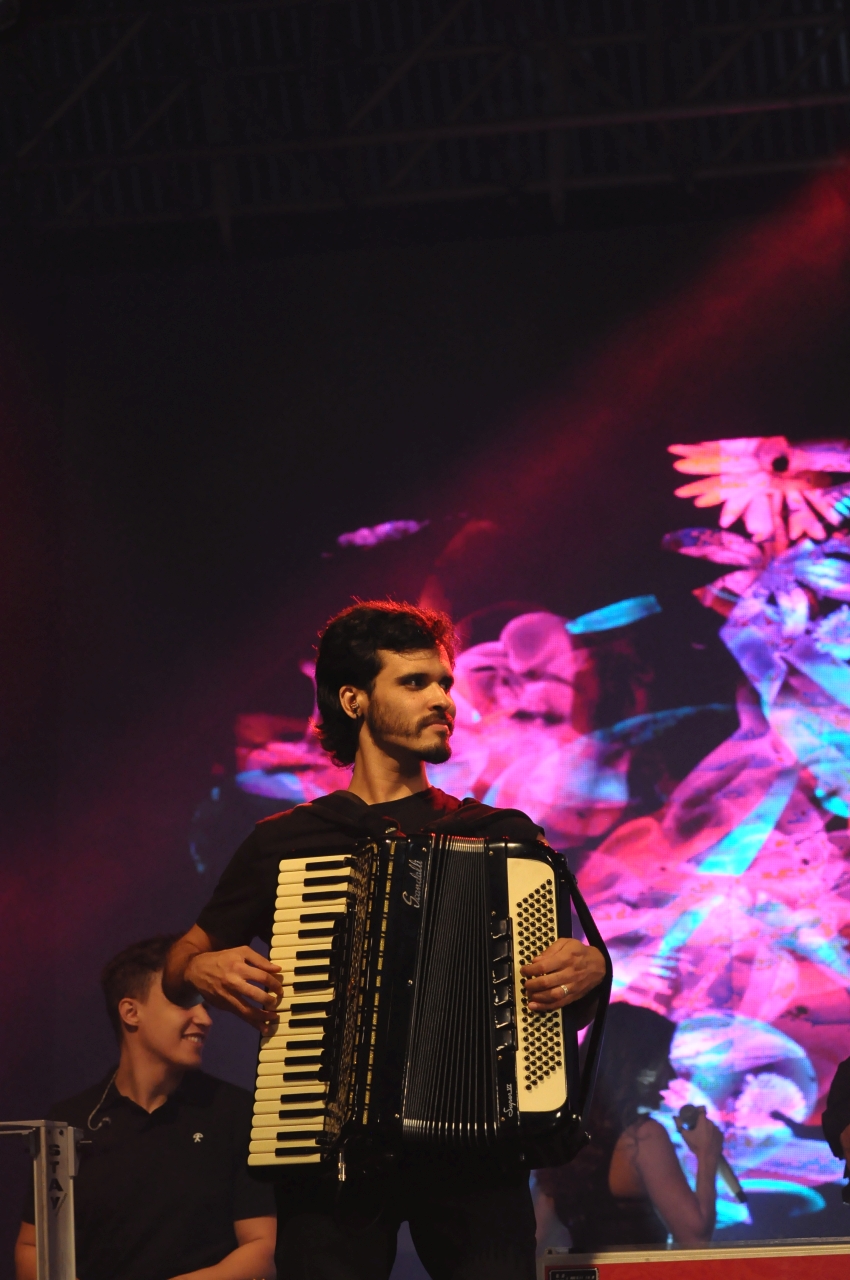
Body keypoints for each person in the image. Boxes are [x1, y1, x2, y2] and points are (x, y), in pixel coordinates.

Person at [163, 600, 608, 1280]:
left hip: (477, 1158)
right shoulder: (288, 841)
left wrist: (588, 972)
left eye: (445, 683)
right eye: (415, 682)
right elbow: (179, 964)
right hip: (327, 1147)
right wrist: (201, 969)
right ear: (354, 700)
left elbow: (557, 1006)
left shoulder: (503, 838)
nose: (443, 700)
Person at [15, 935, 276, 1280]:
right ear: (131, 1012)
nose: (205, 1018)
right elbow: (32, 1247)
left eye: (206, 1005)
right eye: (187, 1001)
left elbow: (261, 1251)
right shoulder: (69, 1122)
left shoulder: (237, 1113)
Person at [535, 1002, 722, 1250]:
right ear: (634, 1065)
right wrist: (707, 1156)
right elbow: (695, 1238)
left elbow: (538, 1235)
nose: (672, 1075)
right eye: (662, 1061)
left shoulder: (568, 1136)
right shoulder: (644, 1137)